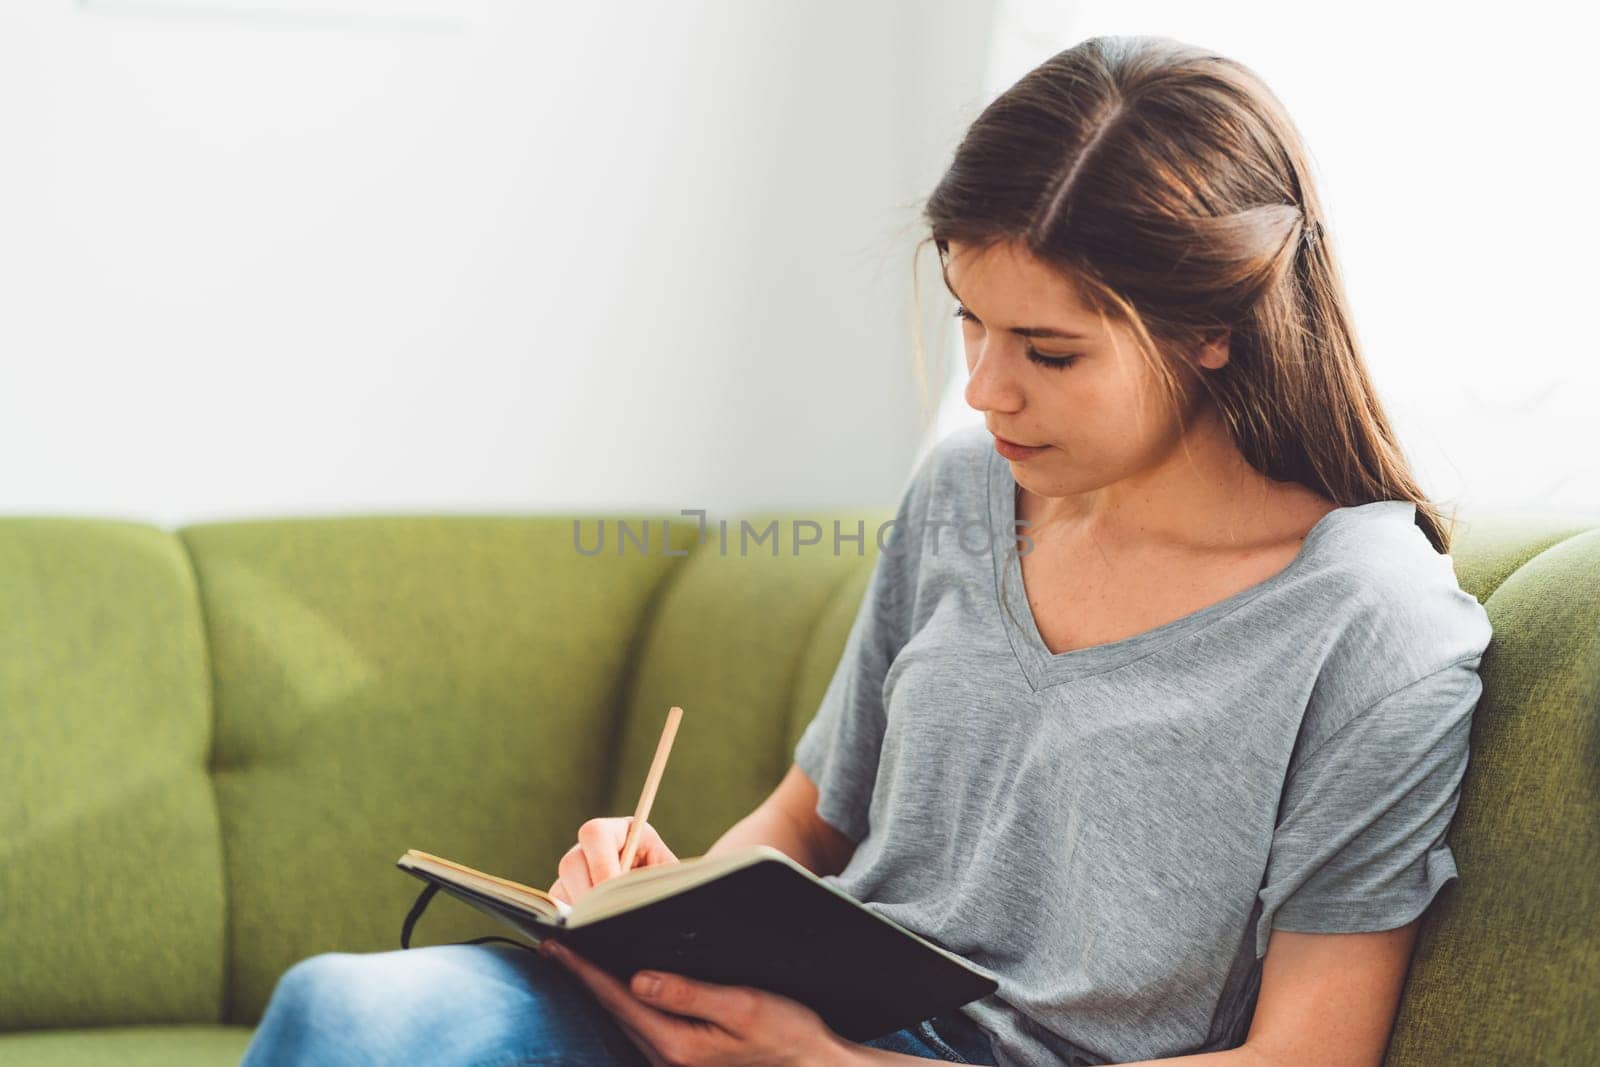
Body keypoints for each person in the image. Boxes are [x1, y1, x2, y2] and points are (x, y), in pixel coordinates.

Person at [238, 33, 1493, 1067]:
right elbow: (805, 822)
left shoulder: (1372, 620)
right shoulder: (963, 492)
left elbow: (1310, 1054)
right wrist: (658, 907)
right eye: (969, 323)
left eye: (1049, 352)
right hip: (763, 1029)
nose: (987, 390)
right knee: (347, 1014)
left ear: (1215, 328)